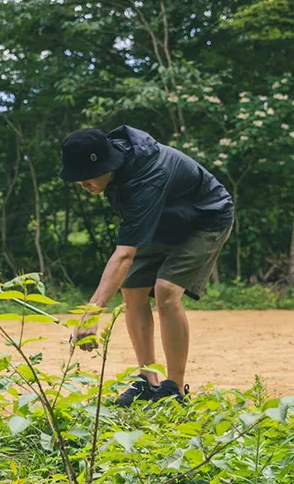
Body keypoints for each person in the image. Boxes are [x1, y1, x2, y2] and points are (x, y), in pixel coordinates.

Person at [59, 126, 233, 405]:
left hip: (205, 218)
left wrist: (90, 315)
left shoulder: (147, 176)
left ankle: (174, 388)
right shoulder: (116, 167)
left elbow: (124, 255)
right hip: (163, 219)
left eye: (86, 178)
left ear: (107, 164)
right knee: (132, 289)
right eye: (77, 179)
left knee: (165, 290)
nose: (82, 185)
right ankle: (148, 382)